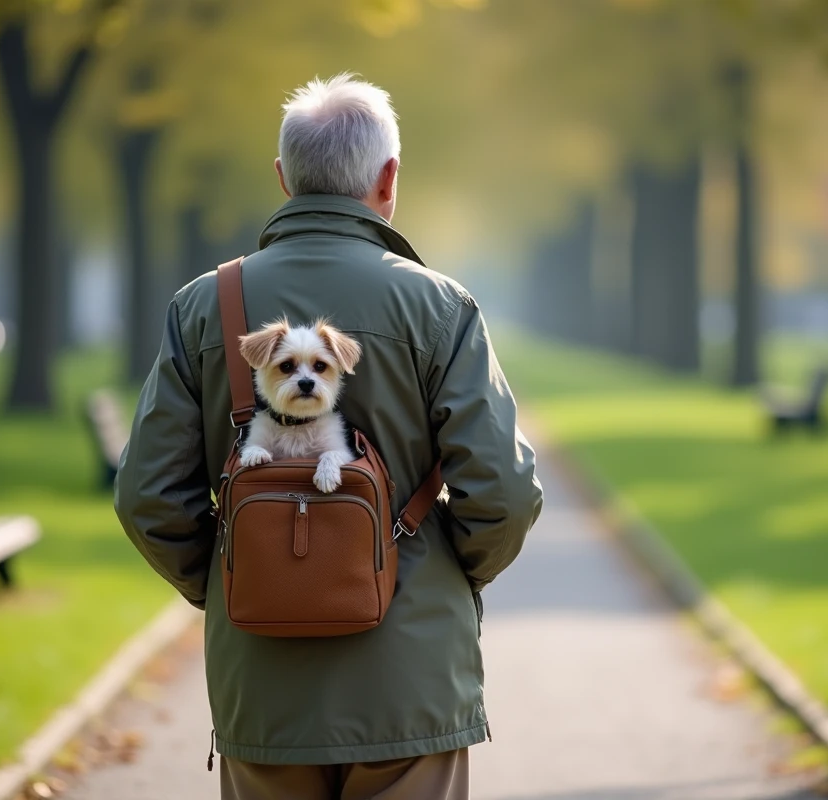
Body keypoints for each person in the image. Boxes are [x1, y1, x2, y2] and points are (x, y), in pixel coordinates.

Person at [114, 73, 543, 800]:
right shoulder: (440, 306)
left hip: (263, 681)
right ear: (389, 178)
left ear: (284, 178)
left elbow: (146, 498)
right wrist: (443, 573)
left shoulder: (204, 306)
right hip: (410, 680)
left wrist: (238, 574)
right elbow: (503, 492)